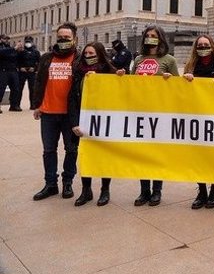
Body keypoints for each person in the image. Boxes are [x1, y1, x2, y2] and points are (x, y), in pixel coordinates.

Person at [118, 25, 178, 207]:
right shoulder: (138, 59)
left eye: (154, 35)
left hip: (159, 113)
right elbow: (130, 84)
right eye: (147, 35)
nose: (150, 37)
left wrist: (170, 80)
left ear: (160, 39)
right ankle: (144, 191)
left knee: (156, 154)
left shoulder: (169, 60)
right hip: (139, 112)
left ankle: (156, 191)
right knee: (142, 154)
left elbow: (179, 87)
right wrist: (121, 76)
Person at [182, 35, 214, 209]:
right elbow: (182, 91)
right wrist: (186, 80)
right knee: (198, 155)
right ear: (196, 47)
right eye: (200, 45)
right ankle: (201, 190)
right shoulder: (191, 65)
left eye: (206, 44)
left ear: (212, 46)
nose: (203, 47)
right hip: (196, 115)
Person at [31, 22, 79, 201]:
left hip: (71, 116)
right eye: (60, 37)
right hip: (48, 113)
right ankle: (50, 184)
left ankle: (68, 183)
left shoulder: (79, 59)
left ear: (74, 39)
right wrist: (37, 105)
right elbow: (39, 81)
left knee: (71, 149)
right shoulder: (47, 58)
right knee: (49, 150)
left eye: (67, 37)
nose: (63, 40)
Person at [68, 42, 117, 206]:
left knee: (104, 157)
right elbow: (72, 99)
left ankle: (105, 190)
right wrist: (74, 123)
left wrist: (121, 76)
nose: (88, 56)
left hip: (103, 121)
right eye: (86, 54)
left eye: (92, 54)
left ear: (100, 54)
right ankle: (86, 190)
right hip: (83, 120)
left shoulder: (109, 71)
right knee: (85, 156)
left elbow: (122, 93)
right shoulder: (78, 72)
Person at [17, 36, 41, 111]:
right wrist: (20, 67)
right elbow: (16, 61)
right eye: (27, 42)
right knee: (19, 89)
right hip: (22, 72)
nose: (28, 43)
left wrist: (35, 68)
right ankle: (17, 105)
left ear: (32, 42)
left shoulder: (36, 52)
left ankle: (33, 105)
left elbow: (40, 62)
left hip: (32, 72)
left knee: (33, 89)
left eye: (29, 42)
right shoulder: (20, 51)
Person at [0, 34, 22, 112]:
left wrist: (19, 51)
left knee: (16, 88)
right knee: (1, 88)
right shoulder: (3, 48)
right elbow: (2, 53)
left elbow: (16, 57)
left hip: (13, 70)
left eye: (8, 39)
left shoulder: (10, 48)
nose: (7, 40)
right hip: (3, 70)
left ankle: (14, 105)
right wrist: (14, 48)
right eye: (5, 39)